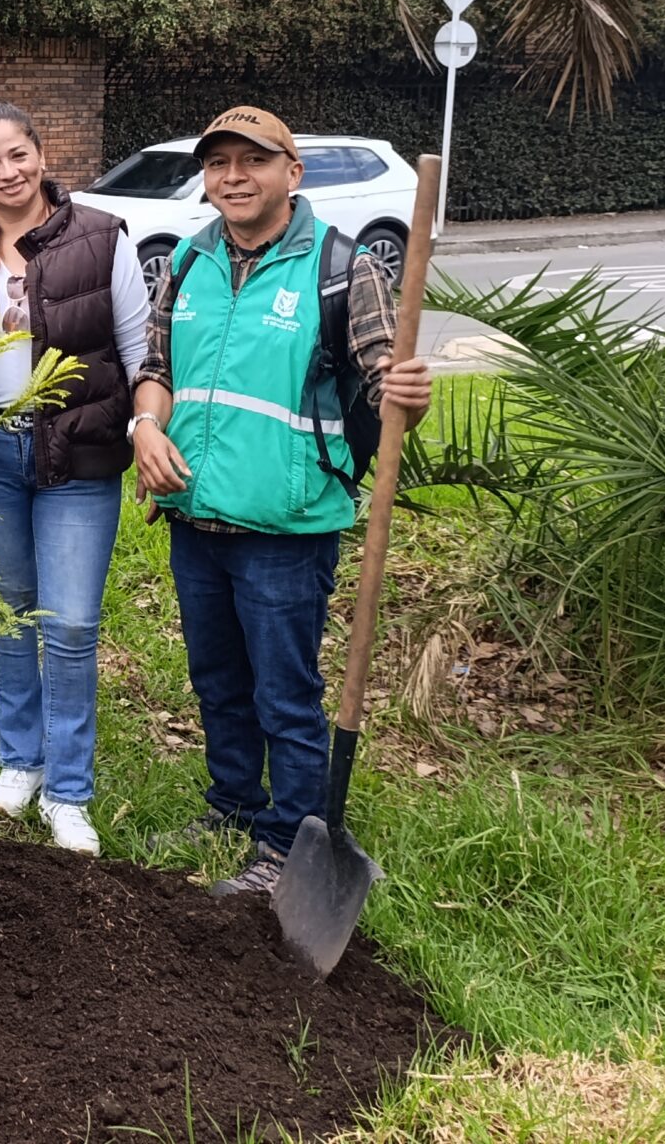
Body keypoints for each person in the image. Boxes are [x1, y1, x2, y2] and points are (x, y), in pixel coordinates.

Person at [129, 106, 432, 898]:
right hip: (196, 516)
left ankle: (290, 838)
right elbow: (156, 366)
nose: (233, 177)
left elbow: (383, 380)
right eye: (219, 163)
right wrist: (146, 428)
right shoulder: (191, 261)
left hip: (287, 527)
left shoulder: (340, 268)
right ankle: (232, 804)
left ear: (291, 175)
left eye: (252, 162)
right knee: (217, 679)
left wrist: (409, 391)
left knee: (284, 692)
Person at [0, 102, 148, 856]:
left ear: (40, 152)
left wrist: (141, 429)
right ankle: (19, 765)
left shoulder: (98, 236)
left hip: (76, 458)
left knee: (70, 623)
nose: (8, 172)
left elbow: (137, 352)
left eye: (18, 154)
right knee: (10, 616)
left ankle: (68, 792)